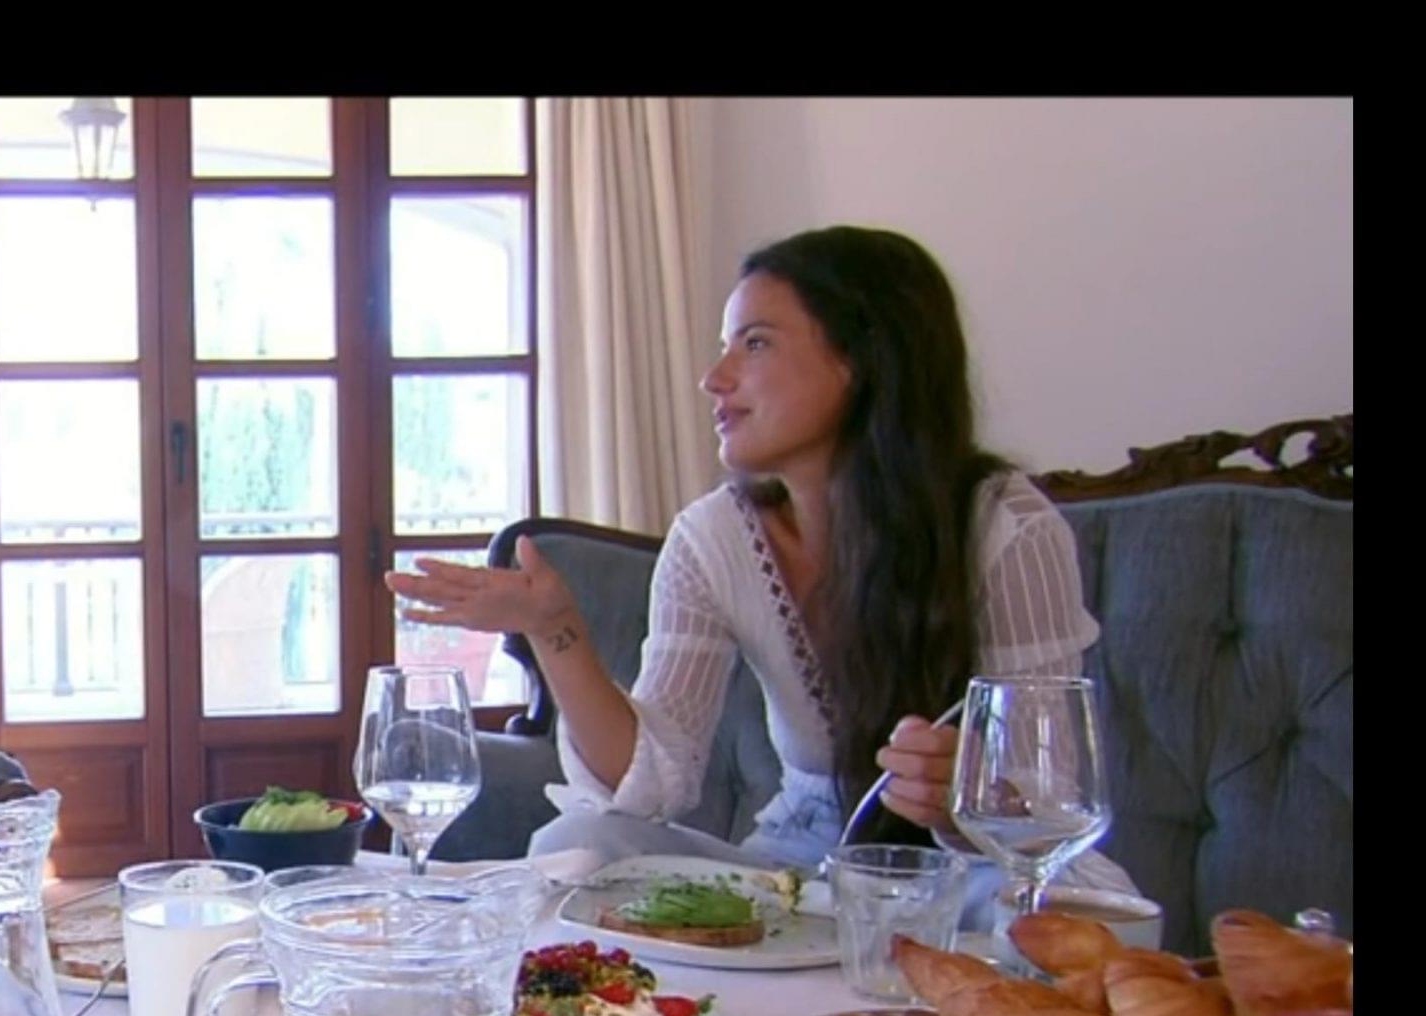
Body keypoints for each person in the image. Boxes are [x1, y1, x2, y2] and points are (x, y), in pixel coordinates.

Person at [387, 225, 1132, 916]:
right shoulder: (712, 538)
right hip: (795, 866)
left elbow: (1050, 806)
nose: (715, 378)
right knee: (579, 849)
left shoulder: (1006, 528)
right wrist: (557, 630)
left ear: (863, 362)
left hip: (965, 872)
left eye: (755, 343)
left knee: (1076, 910)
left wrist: (961, 798)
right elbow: (651, 791)